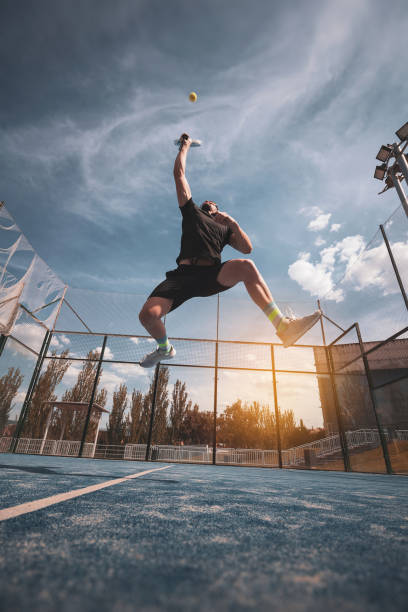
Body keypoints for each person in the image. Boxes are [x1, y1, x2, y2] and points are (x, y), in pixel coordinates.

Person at [139, 133, 321, 368]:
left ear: (217, 209)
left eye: (213, 202)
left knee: (247, 267)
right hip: (182, 277)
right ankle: (165, 349)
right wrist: (184, 147)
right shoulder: (191, 211)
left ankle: (283, 326)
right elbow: (179, 175)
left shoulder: (225, 230)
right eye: (207, 202)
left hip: (210, 275)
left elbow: (247, 248)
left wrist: (233, 223)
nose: (209, 202)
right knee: (147, 315)